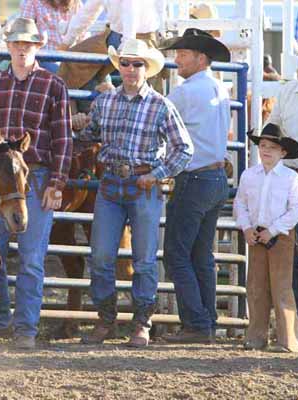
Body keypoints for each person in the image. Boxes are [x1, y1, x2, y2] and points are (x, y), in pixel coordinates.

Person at [79, 38, 193, 348]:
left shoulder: (161, 105)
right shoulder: (104, 102)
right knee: (101, 255)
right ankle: (106, 318)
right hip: (111, 184)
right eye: (126, 63)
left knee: (143, 259)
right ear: (120, 67)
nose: (130, 69)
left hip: (143, 185)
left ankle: (141, 322)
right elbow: (90, 135)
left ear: (147, 69)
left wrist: (156, 175)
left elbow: (184, 149)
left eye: (137, 64)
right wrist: (79, 124)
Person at [0, 17, 73, 349]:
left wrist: (57, 183)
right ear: (9, 46)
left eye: (28, 44)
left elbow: (63, 138)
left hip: (36, 176)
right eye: (17, 44)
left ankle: (25, 329)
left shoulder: (52, 85)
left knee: (32, 258)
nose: (22, 49)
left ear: (37, 47)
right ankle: (1, 320)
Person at [158, 28, 231, 344]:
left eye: (183, 55)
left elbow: (155, 114)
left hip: (195, 177)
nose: (177, 60)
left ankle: (197, 324)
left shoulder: (186, 92)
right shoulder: (220, 88)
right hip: (216, 178)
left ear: (200, 59)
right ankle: (207, 322)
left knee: (177, 254)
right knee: (202, 254)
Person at [234, 123, 298, 352]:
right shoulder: (249, 175)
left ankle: (289, 340)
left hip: (281, 236)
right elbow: (240, 203)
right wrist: (246, 228)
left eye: (272, 147)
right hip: (255, 234)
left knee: (282, 286)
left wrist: (272, 230)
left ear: (282, 152)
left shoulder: (291, 178)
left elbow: (297, 209)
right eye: (262, 146)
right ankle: (256, 337)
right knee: (256, 286)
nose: (265, 151)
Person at [56, 0, 166, 96]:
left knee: (73, 62)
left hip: (133, 38)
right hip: (127, 36)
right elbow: (88, 12)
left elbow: (130, 12)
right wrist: (66, 42)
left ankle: (87, 105)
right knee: (73, 61)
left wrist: (66, 42)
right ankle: (98, 99)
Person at [267, 48, 298, 322]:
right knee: (287, 248)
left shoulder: (290, 92)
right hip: (291, 175)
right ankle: (294, 321)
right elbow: (273, 129)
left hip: (291, 175)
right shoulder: (289, 92)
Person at [20, 0, 83, 72]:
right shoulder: (33, 3)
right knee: (59, 73)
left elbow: (81, 37)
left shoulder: (76, 4)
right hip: (44, 57)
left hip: (71, 59)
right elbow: (24, 36)